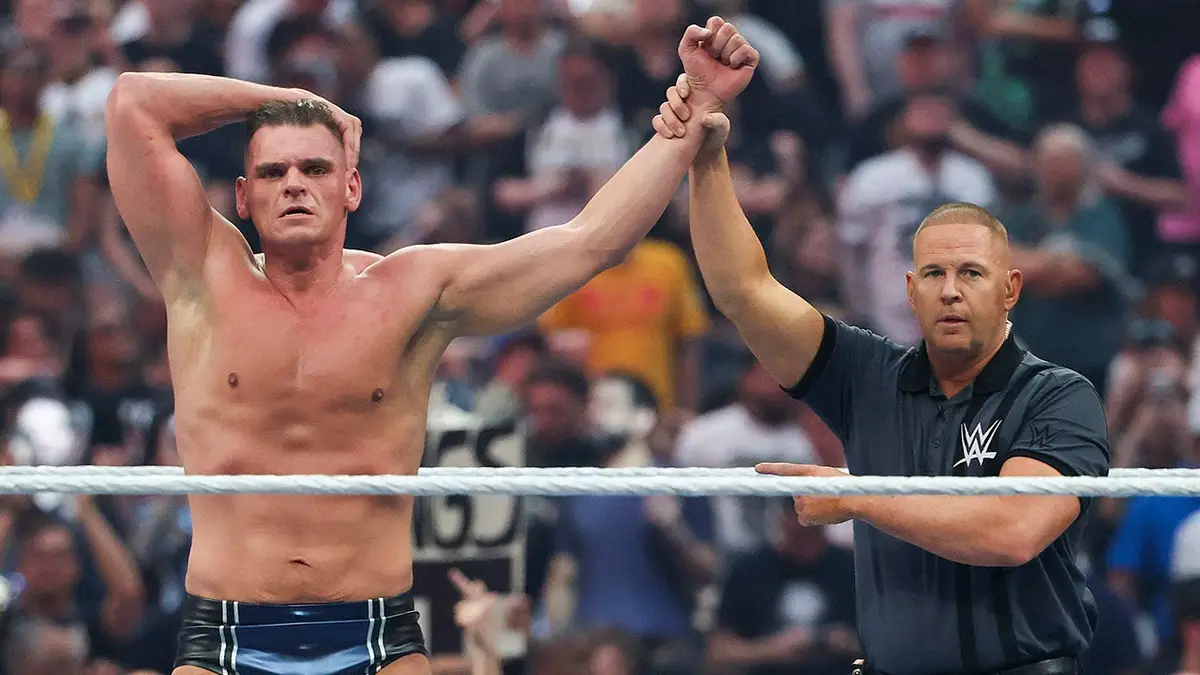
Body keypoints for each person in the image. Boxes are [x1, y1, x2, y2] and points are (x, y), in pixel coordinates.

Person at [102, 19, 760, 675]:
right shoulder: (200, 275)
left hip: (374, 629)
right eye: (273, 171)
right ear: (243, 197)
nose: (294, 182)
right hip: (226, 628)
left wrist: (697, 104)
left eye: (314, 167)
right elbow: (134, 101)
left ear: (351, 188)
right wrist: (291, 100)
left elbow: (590, 241)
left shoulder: (413, 291)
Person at [652, 20, 1110, 674]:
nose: (950, 291)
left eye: (971, 274)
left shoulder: (1058, 395)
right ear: (910, 289)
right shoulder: (868, 374)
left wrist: (859, 497)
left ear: (1011, 289)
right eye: (933, 274)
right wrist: (706, 152)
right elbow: (745, 291)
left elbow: (1012, 533)